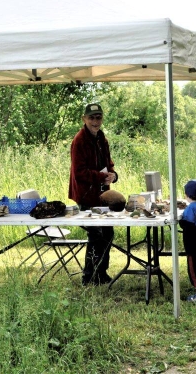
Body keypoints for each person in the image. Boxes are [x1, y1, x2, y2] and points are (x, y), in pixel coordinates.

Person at [69, 103, 118, 286]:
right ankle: (88, 276)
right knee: (95, 235)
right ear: (84, 119)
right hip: (86, 195)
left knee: (108, 232)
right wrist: (101, 176)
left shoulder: (102, 139)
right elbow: (79, 172)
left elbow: (108, 162)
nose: (95, 121)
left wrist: (113, 175)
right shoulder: (79, 141)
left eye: (98, 118)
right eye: (91, 118)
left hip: (103, 194)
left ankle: (101, 273)